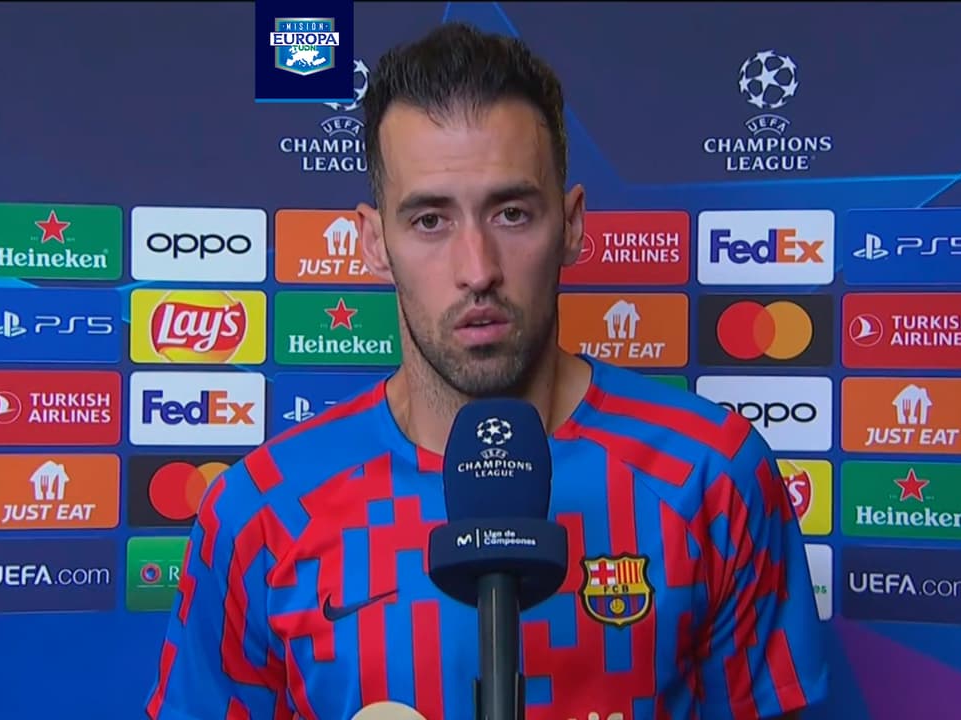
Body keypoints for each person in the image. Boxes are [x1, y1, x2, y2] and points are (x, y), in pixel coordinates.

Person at [145, 21, 827, 720]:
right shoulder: (264, 511)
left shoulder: (709, 474)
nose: (477, 270)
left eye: (511, 213)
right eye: (430, 221)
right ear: (373, 243)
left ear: (572, 225)